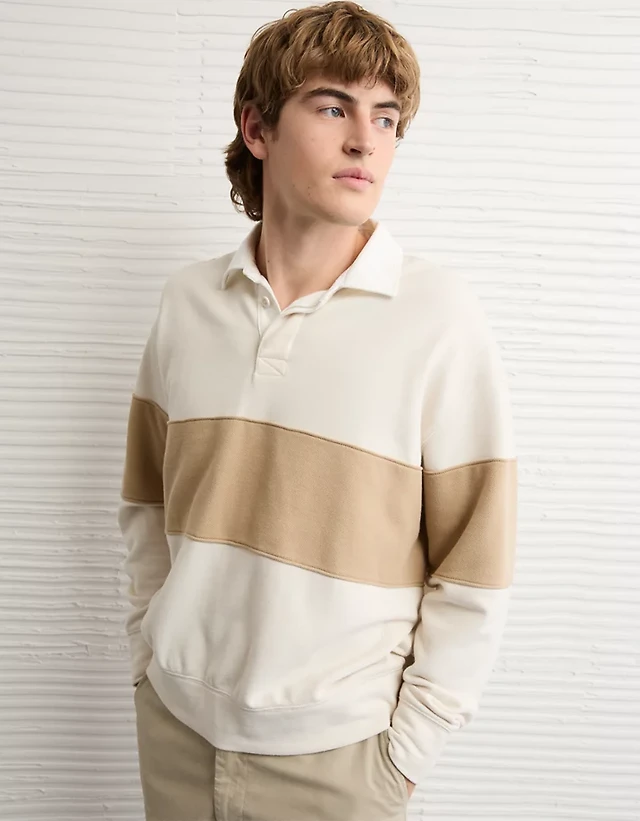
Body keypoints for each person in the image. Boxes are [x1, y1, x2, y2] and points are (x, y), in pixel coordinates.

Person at [117, 2, 518, 820]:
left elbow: (476, 560)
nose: (366, 140)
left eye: (386, 117)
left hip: (342, 763)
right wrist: (148, 662)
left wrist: (405, 753)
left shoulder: (440, 318)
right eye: (333, 107)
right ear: (257, 128)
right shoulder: (187, 302)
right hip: (176, 734)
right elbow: (147, 506)